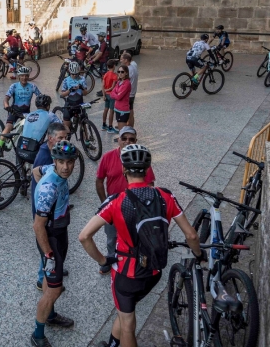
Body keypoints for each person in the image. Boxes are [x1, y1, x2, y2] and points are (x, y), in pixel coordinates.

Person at [79, 144, 203, 347]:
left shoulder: (116, 201)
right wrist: (198, 254)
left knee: (128, 324)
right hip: (154, 272)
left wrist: (103, 260)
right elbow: (191, 234)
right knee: (126, 310)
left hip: (126, 276)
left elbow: (84, 236)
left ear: (124, 170)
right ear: (147, 170)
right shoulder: (165, 196)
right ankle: (112, 343)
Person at [31, 140, 79, 347]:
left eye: (69, 162)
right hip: (50, 238)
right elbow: (38, 226)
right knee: (54, 290)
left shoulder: (50, 168)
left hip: (60, 233)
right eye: (61, 162)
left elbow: (35, 170)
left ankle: (50, 315)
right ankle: (37, 334)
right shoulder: (49, 188)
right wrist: (49, 255)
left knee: (51, 284)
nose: (66, 167)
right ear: (55, 161)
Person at [95, 127, 156, 275]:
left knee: (137, 235)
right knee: (111, 237)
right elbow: (99, 180)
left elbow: (150, 184)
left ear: (135, 141)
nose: (127, 141)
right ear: (119, 140)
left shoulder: (139, 158)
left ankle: (138, 260)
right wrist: (105, 202)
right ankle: (110, 258)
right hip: (114, 207)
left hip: (136, 208)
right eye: (124, 138)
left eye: (131, 139)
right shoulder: (108, 157)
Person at [31, 122, 69, 290]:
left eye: (66, 137)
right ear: (50, 138)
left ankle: (53, 270)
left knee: (54, 249)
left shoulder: (53, 152)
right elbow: (36, 174)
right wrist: (48, 196)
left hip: (52, 214)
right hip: (44, 214)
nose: (64, 140)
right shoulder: (46, 154)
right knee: (47, 247)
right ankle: (43, 278)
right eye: (60, 137)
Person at [0, 66, 41, 156]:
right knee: (8, 127)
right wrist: (6, 105)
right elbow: (6, 98)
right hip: (14, 111)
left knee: (29, 131)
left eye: (26, 76)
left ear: (28, 76)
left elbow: (40, 97)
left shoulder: (32, 87)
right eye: (22, 76)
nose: (24, 78)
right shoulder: (14, 86)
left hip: (26, 113)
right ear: (19, 76)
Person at [59, 61, 87, 133]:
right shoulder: (66, 80)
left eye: (76, 74)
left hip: (80, 103)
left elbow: (85, 93)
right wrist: (70, 90)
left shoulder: (82, 79)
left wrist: (81, 88)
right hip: (70, 104)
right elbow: (62, 94)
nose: (74, 75)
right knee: (66, 128)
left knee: (84, 123)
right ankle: (66, 141)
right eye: (72, 74)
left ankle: (86, 140)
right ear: (69, 72)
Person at [111, 64, 132, 138]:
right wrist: (115, 94)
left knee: (122, 131)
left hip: (123, 110)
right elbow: (112, 93)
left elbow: (119, 97)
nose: (120, 73)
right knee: (121, 130)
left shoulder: (127, 83)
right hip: (117, 108)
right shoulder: (119, 81)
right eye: (118, 71)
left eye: (122, 72)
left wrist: (115, 94)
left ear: (126, 73)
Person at [120, 52, 138, 127]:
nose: (120, 60)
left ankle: (127, 128)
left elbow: (122, 81)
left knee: (127, 112)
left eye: (122, 59)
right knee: (131, 111)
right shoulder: (133, 65)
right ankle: (130, 127)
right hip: (132, 93)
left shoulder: (128, 70)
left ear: (126, 60)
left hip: (128, 94)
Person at [101, 60, 118, 133]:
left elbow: (102, 85)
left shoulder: (106, 74)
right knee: (111, 111)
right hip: (111, 95)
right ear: (114, 66)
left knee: (105, 109)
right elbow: (113, 87)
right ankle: (110, 127)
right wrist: (108, 90)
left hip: (106, 94)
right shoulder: (115, 76)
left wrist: (104, 94)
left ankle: (104, 124)